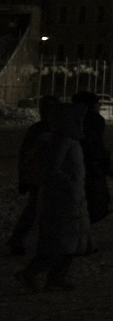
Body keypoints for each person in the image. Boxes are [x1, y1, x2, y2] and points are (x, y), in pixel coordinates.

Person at [13, 97, 86, 291]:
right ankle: (30, 273)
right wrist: (69, 185)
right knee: (58, 242)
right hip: (61, 198)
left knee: (68, 241)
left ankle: (56, 277)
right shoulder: (62, 140)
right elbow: (52, 168)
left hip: (69, 196)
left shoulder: (67, 139)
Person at [7, 100, 52, 256]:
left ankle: (20, 240)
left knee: (35, 209)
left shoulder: (39, 129)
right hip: (40, 176)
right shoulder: (43, 130)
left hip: (39, 175)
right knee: (36, 210)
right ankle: (20, 240)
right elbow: (27, 156)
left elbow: (25, 156)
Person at [75, 91, 113, 231]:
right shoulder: (94, 120)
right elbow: (97, 144)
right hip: (92, 165)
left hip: (82, 164)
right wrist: (106, 160)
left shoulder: (73, 120)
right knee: (96, 202)